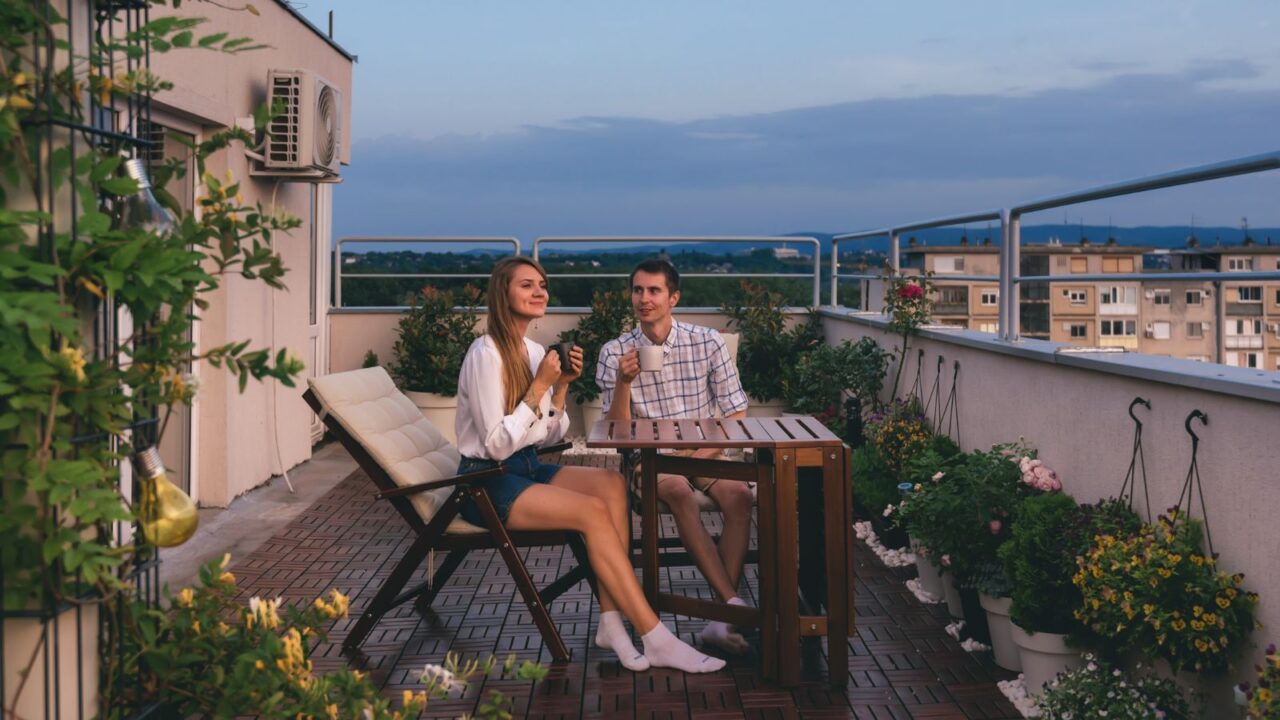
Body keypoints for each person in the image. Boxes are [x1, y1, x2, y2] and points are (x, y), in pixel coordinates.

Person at [455, 255, 725, 673]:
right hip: (486, 483)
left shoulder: (531, 351)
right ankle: (655, 637)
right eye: (527, 285)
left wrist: (559, 388)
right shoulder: (485, 353)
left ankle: (610, 621)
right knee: (592, 512)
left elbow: (548, 436)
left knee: (611, 485)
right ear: (501, 293)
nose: (539, 291)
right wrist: (541, 385)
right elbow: (494, 444)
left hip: (524, 465)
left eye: (542, 284)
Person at [596, 259, 755, 654]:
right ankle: (731, 608)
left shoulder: (708, 341)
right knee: (680, 493)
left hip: (705, 448)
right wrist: (623, 382)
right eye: (637, 290)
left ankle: (721, 614)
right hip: (648, 458)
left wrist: (706, 451)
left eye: (653, 291)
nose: (643, 299)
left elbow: (735, 411)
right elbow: (617, 432)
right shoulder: (615, 352)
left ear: (674, 298)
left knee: (741, 497)